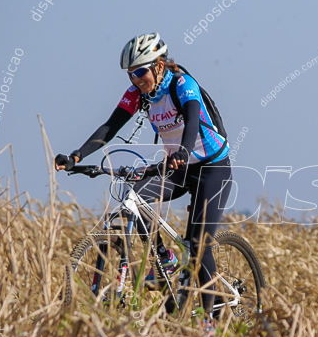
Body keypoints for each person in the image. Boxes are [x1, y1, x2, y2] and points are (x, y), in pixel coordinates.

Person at [55, 32, 232, 320]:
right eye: (130, 75)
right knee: (135, 197)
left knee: (199, 245)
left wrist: (184, 152)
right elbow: (110, 127)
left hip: (212, 166)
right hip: (178, 166)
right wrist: (77, 156)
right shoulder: (139, 95)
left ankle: (213, 318)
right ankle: (165, 258)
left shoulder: (183, 84)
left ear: (159, 66)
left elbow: (190, 120)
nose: (136, 80)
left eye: (140, 72)